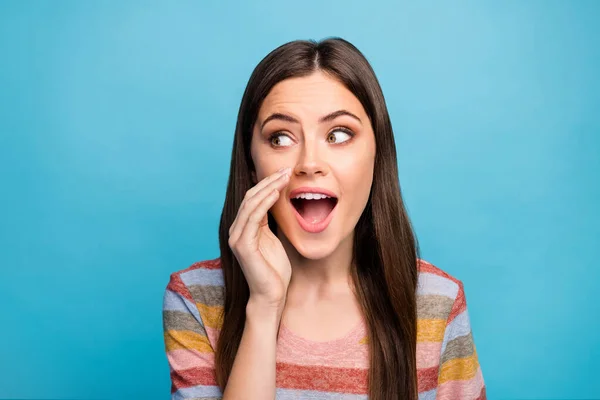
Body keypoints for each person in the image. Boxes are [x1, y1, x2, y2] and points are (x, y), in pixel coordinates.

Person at [162, 37, 486, 400]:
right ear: (251, 164)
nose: (310, 164)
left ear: (377, 156)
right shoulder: (195, 299)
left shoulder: (436, 302)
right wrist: (264, 308)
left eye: (339, 134)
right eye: (281, 138)